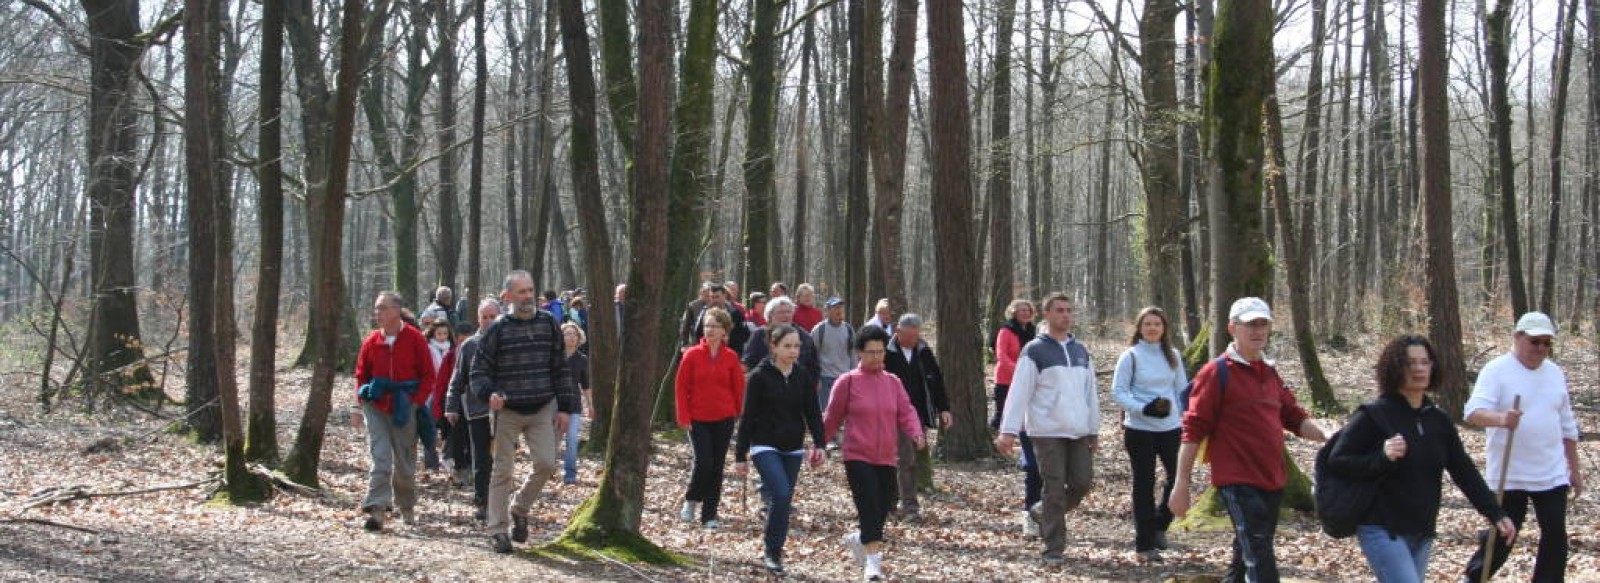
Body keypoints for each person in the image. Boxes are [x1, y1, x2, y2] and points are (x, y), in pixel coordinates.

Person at [1325, 335, 1515, 583]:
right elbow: (1338, 460)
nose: (1419, 369)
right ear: (1395, 368)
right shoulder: (1374, 415)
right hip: (1382, 528)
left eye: (1425, 362)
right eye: (1410, 363)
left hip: (1422, 530)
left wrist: (1495, 513)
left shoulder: (1438, 420)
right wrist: (1381, 457)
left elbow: (1463, 470)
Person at [1168, 297, 1328, 582]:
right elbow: (1192, 430)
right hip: (1237, 481)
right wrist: (1181, 484)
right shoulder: (1217, 372)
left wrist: (1328, 436)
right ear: (1232, 328)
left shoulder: (1269, 371)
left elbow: (1293, 416)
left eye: (1263, 324)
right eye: (1250, 324)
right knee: (1260, 557)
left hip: (1272, 479)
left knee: (1244, 557)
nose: (1257, 330)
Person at [1462, 312, 1583, 582]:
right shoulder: (1496, 370)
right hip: (1510, 473)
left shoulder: (1554, 373)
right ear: (1517, 338)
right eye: (1534, 341)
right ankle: (1474, 578)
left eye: (1546, 343)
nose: (1540, 348)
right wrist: (1501, 419)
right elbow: (1472, 412)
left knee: (1554, 535)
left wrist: (1573, 469)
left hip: (1550, 472)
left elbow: (1567, 425)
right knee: (1504, 534)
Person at [470, 271, 580, 554]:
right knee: (502, 470)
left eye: (531, 290)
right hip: (507, 410)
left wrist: (566, 408)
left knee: (546, 464)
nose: (528, 297)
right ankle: (497, 530)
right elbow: (478, 372)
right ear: (507, 296)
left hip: (543, 406)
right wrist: (489, 393)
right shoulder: (497, 329)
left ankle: (519, 508)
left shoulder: (548, 324)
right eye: (521, 292)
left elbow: (560, 368)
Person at [994, 293, 1098, 565]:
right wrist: (1008, 430)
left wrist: (1093, 429)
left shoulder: (1081, 351)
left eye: (1069, 310)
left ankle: (1041, 511)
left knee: (1082, 482)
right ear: (1047, 315)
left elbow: (1091, 394)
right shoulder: (1035, 351)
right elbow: (1019, 392)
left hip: (1077, 430)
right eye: (1060, 310)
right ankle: (1053, 549)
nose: (1065, 315)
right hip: (1046, 431)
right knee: (1053, 487)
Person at [824, 325, 925, 582]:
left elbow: (906, 410)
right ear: (859, 353)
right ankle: (873, 564)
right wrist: (819, 444)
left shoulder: (893, 382)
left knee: (885, 505)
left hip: (886, 456)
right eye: (871, 352)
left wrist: (916, 432)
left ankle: (860, 539)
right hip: (857, 454)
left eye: (880, 352)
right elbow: (832, 417)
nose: (877, 357)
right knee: (868, 504)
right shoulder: (846, 383)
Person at [733, 324, 826, 575]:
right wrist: (740, 455)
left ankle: (775, 550)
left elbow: (813, 413)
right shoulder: (759, 377)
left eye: (797, 346)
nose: (793, 351)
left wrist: (820, 444)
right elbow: (748, 417)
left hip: (793, 447)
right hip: (764, 445)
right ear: (773, 346)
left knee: (783, 501)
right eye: (787, 346)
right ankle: (772, 551)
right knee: (782, 493)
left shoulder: (803, 376)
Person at [351, 291, 435, 531]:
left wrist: (416, 401)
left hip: (404, 406)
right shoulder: (371, 342)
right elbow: (361, 375)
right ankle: (376, 509)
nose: (378, 313)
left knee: (404, 464)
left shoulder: (415, 339)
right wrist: (358, 405)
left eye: (383, 308)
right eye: (376, 308)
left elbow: (428, 374)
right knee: (380, 458)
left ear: (397, 310)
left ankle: (406, 506)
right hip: (376, 406)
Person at [1110, 307, 1186, 561]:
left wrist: (1184, 418)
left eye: (1157, 324)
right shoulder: (1130, 356)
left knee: (1177, 477)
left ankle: (1160, 526)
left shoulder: (1173, 355)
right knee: (1144, 484)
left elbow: (1181, 391)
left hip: (1171, 428)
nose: (1153, 328)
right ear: (1140, 328)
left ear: (1164, 328)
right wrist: (1142, 409)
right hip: (1139, 428)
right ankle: (1144, 545)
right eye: (1148, 324)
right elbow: (1118, 392)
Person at [674, 307, 747, 528]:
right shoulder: (692, 355)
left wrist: (738, 414)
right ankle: (691, 500)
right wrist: (683, 416)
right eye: (707, 325)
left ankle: (710, 515)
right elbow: (680, 387)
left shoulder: (731, 357)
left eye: (715, 326)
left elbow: (738, 388)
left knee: (717, 466)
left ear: (725, 330)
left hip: (724, 418)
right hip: (697, 417)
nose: (710, 330)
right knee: (704, 462)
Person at [446, 298, 501, 521]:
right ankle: (481, 501)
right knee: (481, 458)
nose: (488, 321)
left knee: (502, 457)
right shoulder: (469, 345)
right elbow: (457, 378)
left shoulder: (507, 341)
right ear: (478, 318)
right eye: (484, 317)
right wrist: (451, 406)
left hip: (505, 410)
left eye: (492, 316)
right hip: (477, 410)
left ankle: (499, 500)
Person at [742, 296, 820, 378]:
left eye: (788, 312)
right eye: (781, 312)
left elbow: (814, 367)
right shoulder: (759, 334)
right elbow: (747, 363)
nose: (786, 315)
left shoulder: (804, 336)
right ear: (770, 315)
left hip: (796, 385)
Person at [811, 297, 856, 418]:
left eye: (841, 307)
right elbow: (813, 355)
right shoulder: (819, 330)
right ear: (827, 311)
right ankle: (828, 437)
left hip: (844, 377)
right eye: (835, 307)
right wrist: (816, 378)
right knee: (827, 414)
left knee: (844, 414)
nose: (839, 310)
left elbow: (852, 354)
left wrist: (854, 375)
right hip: (825, 379)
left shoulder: (848, 329)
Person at [422, 320, 457, 474]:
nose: (442, 337)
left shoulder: (453, 349)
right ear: (433, 334)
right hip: (431, 393)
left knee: (451, 428)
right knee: (429, 427)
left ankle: (448, 458)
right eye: (439, 334)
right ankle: (431, 464)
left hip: (448, 393)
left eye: (445, 333)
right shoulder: (428, 349)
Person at [559, 322, 592, 486]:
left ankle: (570, 473)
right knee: (553, 441)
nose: (571, 337)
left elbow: (585, 385)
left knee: (572, 439)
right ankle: (547, 470)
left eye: (574, 334)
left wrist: (590, 405)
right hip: (555, 405)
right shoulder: (555, 357)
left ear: (579, 338)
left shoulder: (582, 359)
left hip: (574, 405)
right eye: (568, 334)